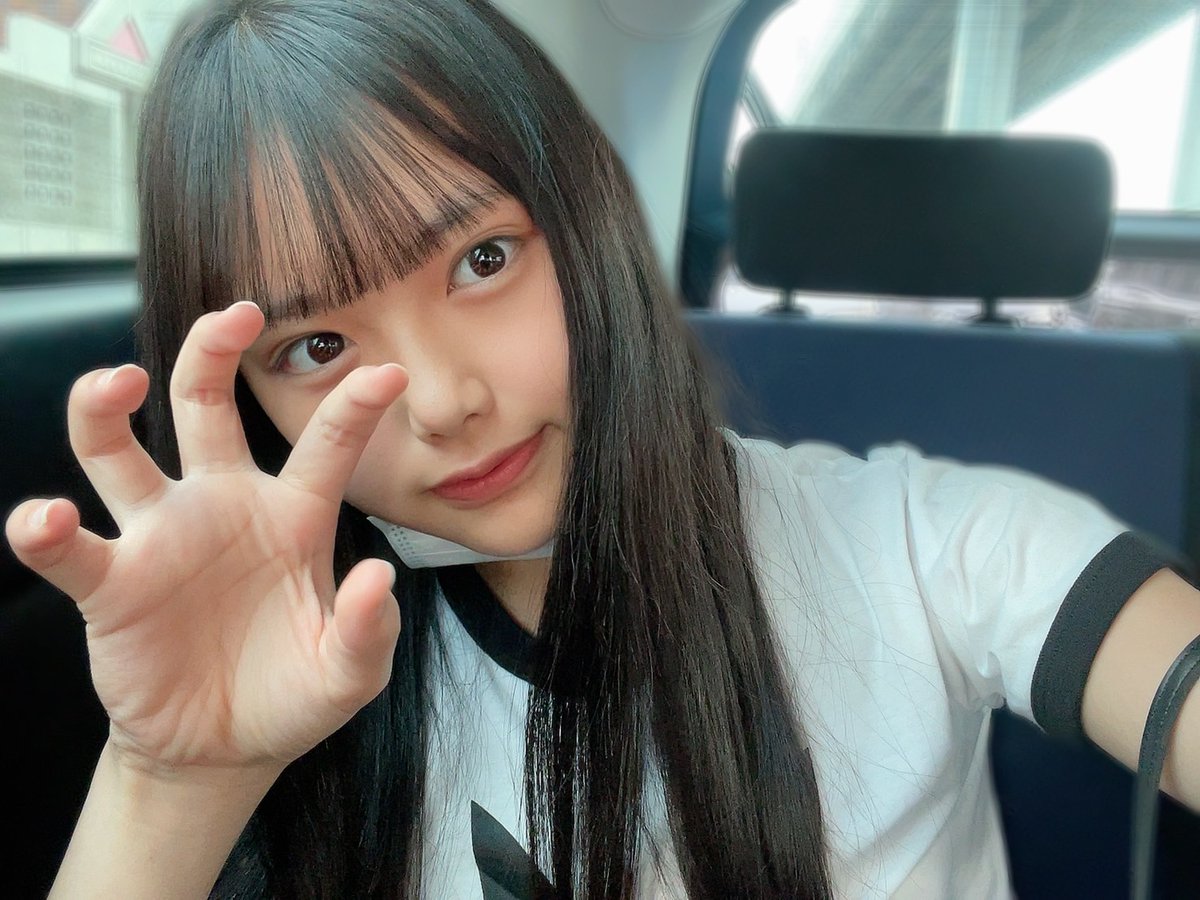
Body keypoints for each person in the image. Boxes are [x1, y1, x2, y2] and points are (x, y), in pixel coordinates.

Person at [5, 1, 1199, 897]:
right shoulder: (309, 676)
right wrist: (172, 782)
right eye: (317, 346)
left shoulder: (931, 546)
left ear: (591, 229)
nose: (443, 402)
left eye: (482, 260)